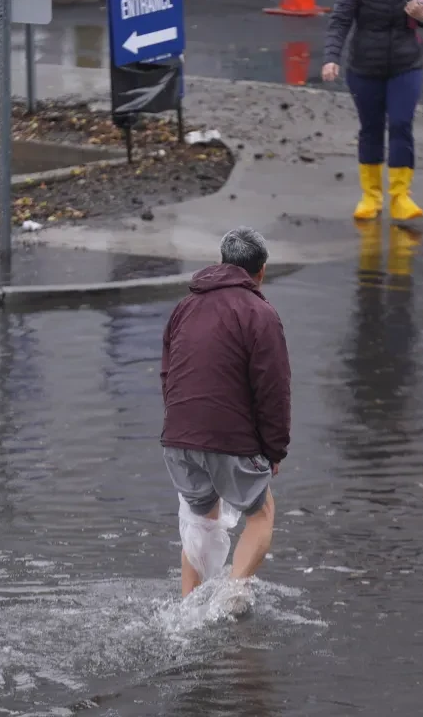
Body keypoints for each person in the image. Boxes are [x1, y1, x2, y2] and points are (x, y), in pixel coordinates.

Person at [160, 227, 292, 598]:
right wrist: (274, 450)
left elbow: (168, 374)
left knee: (200, 519)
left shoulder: (184, 307)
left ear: (221, 262)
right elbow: (274, 389)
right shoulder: (260, 313)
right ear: (261, 272)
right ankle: (231, 598)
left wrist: (180, 426)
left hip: (178, 436)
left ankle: (188, 607)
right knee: (261, 513)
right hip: (229, 438)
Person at [322, 0, 423, 222]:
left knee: (401, 125)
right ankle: (371, 197)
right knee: (371, 129)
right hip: (364, 69)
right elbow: (340, 21)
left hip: (406, 66)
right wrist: (331, 58)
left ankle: (400, 196)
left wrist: (422, 16)